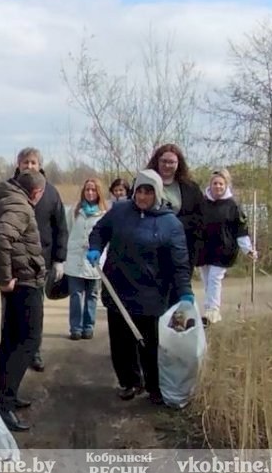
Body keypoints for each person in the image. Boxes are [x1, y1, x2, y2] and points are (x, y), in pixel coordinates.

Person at [88, 169, 194, 405]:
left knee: (150, 345)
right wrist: (95, 247)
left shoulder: (170, 223)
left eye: (148, 192)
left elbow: (180, 263)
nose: (142, 197)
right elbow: (100, 230)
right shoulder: (119, 211)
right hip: (118, 289)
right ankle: (129, 382)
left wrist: (185, 292)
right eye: (139, 191)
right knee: (121, 343)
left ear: (157, 193)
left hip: (152, 293)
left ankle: (155, 386)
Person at [0, 169, 48, 432]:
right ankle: (5, 405)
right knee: (28, 341)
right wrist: (4, 278)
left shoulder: (1, 200)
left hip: (19, 282)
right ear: (37, 192)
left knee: (10, 341)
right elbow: (0, 240)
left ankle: (8, 395)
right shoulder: (21, 207)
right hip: (24, 282)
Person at [15, 147, 67, 371]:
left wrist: (59, 259)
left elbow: (61, 228)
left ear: (40, 165)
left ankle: (33, 352)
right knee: (12, 311)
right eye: (25, 162)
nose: (29, 166)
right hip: (14, 262)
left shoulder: (51, 193)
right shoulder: (9, 189)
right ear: (18, 165)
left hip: (41, 262)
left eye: (33, 162)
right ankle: (13, 352)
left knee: (35, 311)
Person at [197, 169, 256, 325]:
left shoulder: (233, 206)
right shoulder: (202, 203)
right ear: (210, 185)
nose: (218, 186)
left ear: (226, 185)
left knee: (214, 278)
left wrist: (248, 249)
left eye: (221, 184)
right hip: (204, 249)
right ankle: (209, 309)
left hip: (223, 249)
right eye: (215, 183)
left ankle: (213, 311)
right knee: (207, 280)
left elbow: (241, 230)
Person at [64, 177, 109, 341]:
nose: (90, 193)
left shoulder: (104, 214)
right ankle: (75, 328)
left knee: (92, 295)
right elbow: (66, 232)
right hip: (75, 259)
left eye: (93, 190)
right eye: (87, 190)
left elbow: (107, 238)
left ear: (98, 192)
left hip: (93, 261)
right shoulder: (75, 211)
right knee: (76, 295)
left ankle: (88, 326)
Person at [146, 144, 203, 265]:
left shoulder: (191, 188)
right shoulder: (143, 184)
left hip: (182, 248)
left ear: (178, 164)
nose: (167, 165)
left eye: (171, 162)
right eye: (163, 161)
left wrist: (174, 224)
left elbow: (200, 218)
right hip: (150, 249)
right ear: (157, 161)